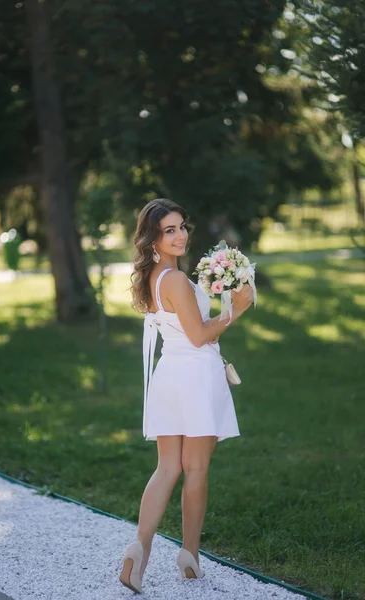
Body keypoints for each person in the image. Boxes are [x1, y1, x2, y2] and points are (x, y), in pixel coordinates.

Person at [119, 198, 254, 593]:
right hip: (194, 375)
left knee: (166, 468)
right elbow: (198, 337)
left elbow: (185, 330)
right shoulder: (176, 280)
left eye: (181, 227)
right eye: (169, 231)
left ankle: (138, 550)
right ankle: (189, 556)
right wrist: (237, 309)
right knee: (194, 469)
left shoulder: (156, 278)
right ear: (153, 239)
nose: (180, 236)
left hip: (170, 374)